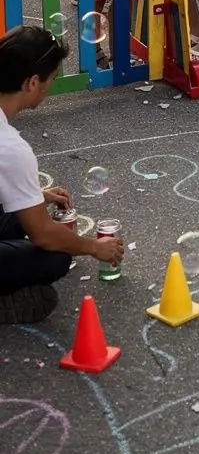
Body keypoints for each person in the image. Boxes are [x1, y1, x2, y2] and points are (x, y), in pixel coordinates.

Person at [0, 26, 124, 323]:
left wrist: (36, 195)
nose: (51, 86)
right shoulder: (10, 148)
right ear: (32, 82)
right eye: (52, 78)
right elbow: (43, 235)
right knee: (55, 257)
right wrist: (93, 247)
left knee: (20, 217)